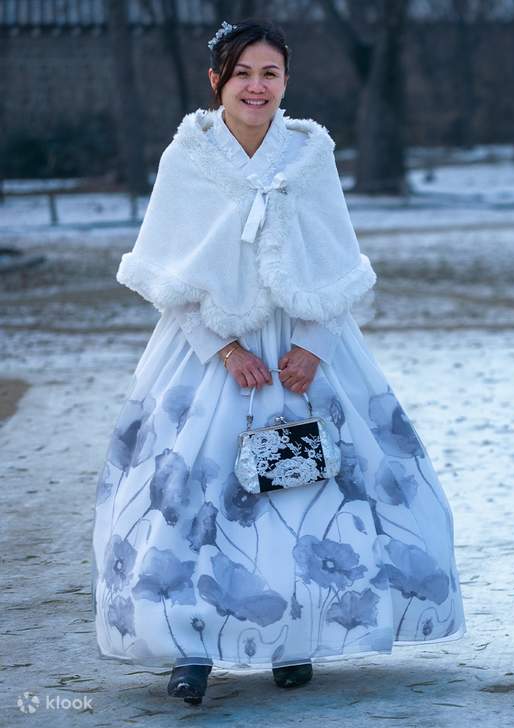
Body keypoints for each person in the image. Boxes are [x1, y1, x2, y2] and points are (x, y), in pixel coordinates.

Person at [93, 20, 465, 705]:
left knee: (304, 492)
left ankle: (296, 637)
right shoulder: (188, 156)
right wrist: (224, 349)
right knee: (193, 495)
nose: (256, 87)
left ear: (286, 80)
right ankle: (189, 645)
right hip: (211, 352)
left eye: (269, 73)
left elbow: (336, 258)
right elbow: (168, 273)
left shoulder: (308, 153)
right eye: (242, 74)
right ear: (217, 81)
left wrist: (314, 346)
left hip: (300, 351)